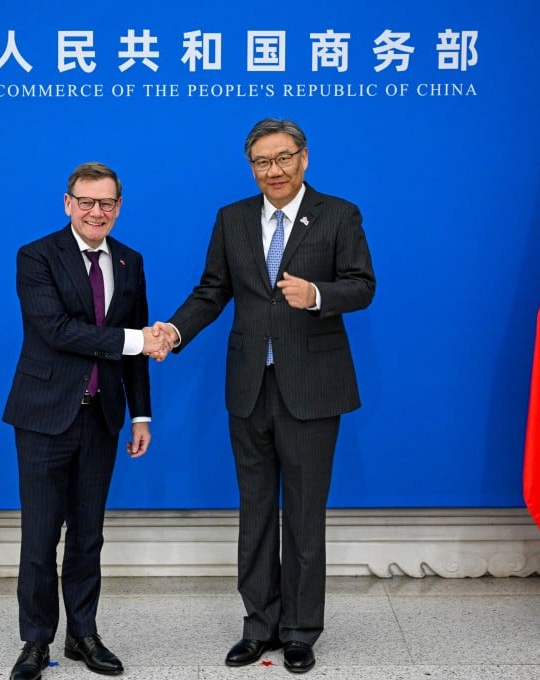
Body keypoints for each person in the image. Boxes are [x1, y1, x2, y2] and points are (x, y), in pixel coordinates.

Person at [151, 118, 376, 674]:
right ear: (251, 166)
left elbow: (363, 284)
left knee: (304, 513)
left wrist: (318, 292)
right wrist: (174, 332)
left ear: (303, 158)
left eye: (282, 158)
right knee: (255, 512)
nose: (272, 171)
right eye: (261, 162)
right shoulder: (232, 219)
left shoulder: (338, 214)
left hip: (313, 388)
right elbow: (212, 290)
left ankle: (300, 630)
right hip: (249, 387)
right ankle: (258, 625)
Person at [2, 161, 170, 680]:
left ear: (119, 207)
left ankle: (83, 634)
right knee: (39, 535)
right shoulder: (36, 256)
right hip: (43, 417)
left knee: (89, 535)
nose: (97, 212)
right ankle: (35, 642)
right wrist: (137, 339)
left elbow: (137, 349)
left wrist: (141, 414)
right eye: (87, 201)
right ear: (68, 203)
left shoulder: (131, 260)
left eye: (108, 203)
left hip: (102, 417)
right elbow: (56, 330)